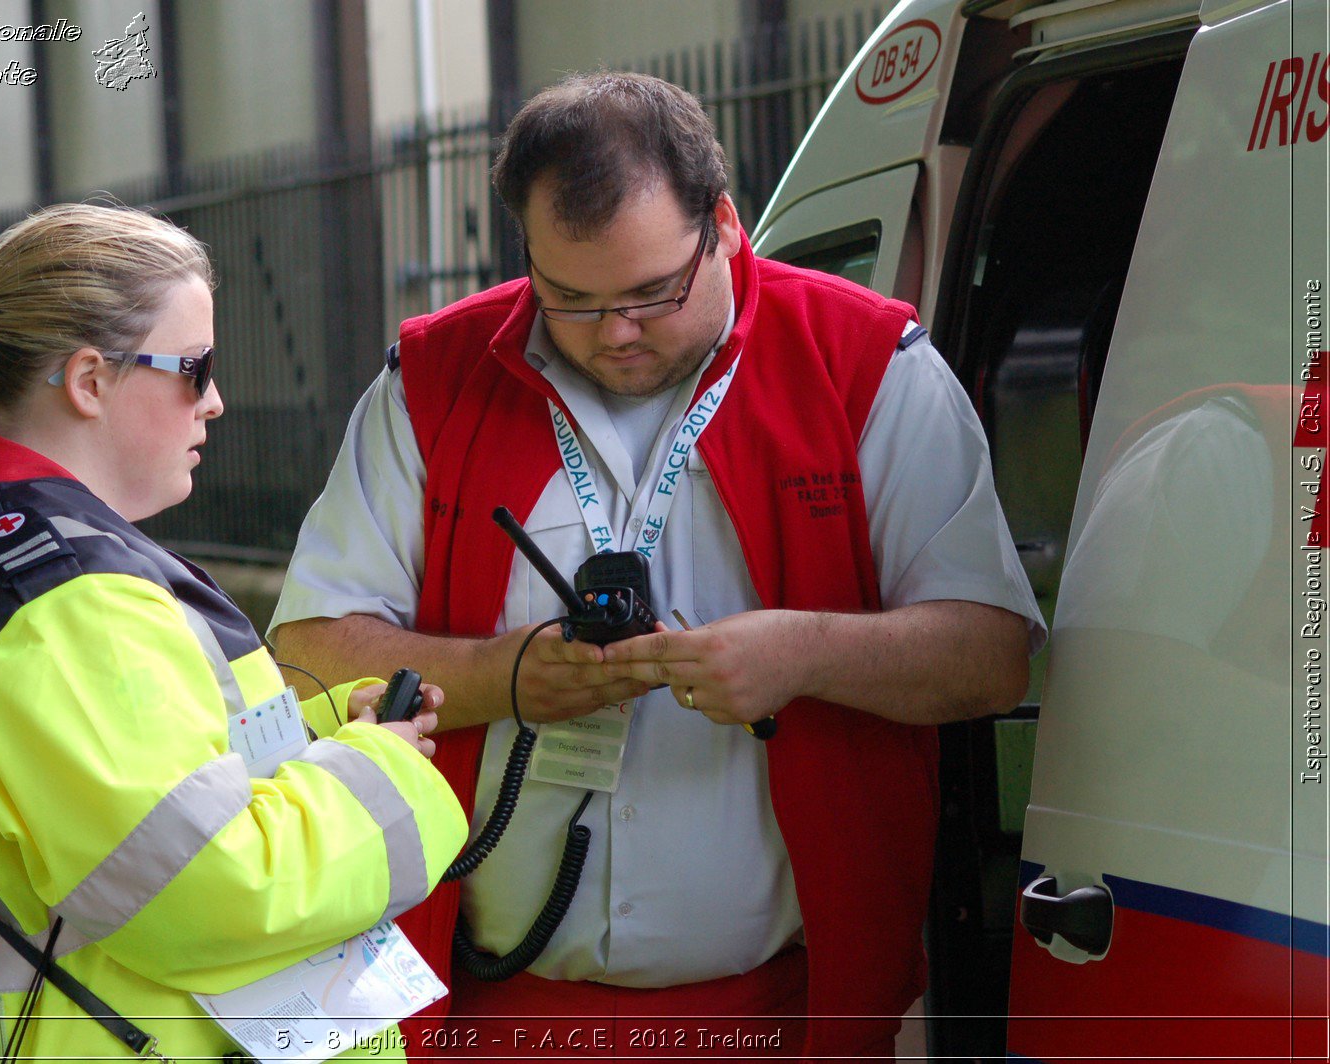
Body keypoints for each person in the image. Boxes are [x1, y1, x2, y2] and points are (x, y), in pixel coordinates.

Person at [272, 73, 1045, 1059]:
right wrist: (504, 674)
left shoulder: (865, 361)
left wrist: (800, 652)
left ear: (723, 224)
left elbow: (989, 655)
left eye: (651, 293)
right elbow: (305, 652)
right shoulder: (431, 376)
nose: (616, 332)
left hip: (785, 1012)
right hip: (481, 1005)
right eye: (570, 299)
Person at [0, 202, 467, 1060]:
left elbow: (148, 796)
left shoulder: (14, 557)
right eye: (196, 368)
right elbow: (209, 888)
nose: (217, 401)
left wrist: (326, 733)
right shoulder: (69, 607)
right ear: (90, 381)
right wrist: (380, 773)